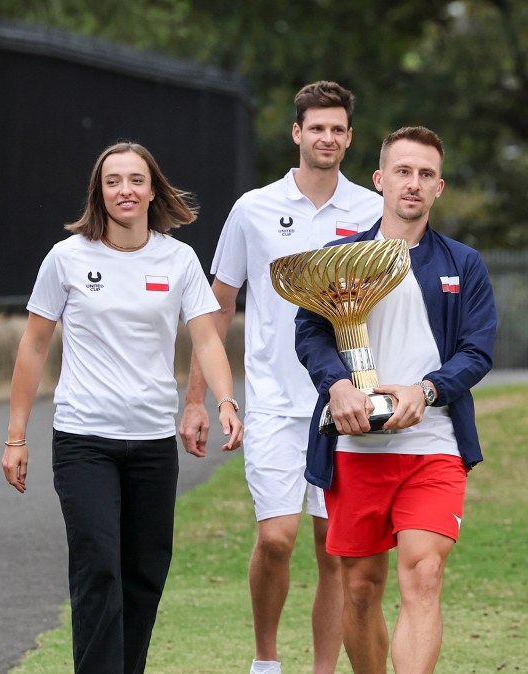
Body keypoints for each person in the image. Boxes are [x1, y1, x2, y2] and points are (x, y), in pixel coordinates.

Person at [1, 141, 244, 674]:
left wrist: (224, 399)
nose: (125, 190)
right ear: (99, 191)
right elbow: (34, 346)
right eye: (113, 181)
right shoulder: (66, 258)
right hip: (84, 439)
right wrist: (16, 436)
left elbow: (205, 338)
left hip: (154, 443)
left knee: (144, 574)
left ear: (152, 189)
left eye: (135, 180)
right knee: (98, 571)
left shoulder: (177, 258)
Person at [179, 80, 382, 674]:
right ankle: (266, 660)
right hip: (271, 402)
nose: (327, 137)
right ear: (297, 133)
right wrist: (197, 400)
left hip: (345, 407)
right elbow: (215, 308)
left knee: (333, 551)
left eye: (337, 129)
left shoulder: (371, 211)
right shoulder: (254, 209)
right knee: (276, 538)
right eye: (316, 127)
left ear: (349, 138)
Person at [294, 126, 496, 674]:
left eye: (425, 174)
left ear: (439, 188)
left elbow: (477, 352)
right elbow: (309, 334)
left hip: (434, 444)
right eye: (403, 172)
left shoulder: (464, 264)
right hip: (356, 449)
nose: (414, 183)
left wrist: (424, 390)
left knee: (424, 574)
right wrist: (337, 386)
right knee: (359, 588)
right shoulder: (339, 257)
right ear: (380, 180)